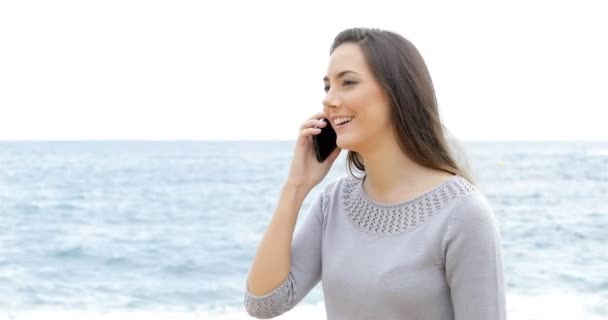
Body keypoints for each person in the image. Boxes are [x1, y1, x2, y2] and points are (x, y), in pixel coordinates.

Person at [243, 27, 506, 319]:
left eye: (348, 83)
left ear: (397, 94)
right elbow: (263, 303)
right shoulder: (334, 204)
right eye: (327, 86)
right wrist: (295, 187)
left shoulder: (462, 213)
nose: (329, 100)